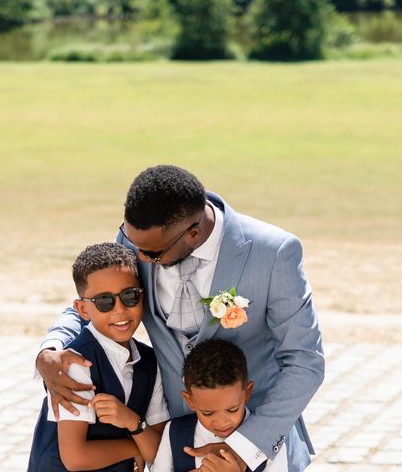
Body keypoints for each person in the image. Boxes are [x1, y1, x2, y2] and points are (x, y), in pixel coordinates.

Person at [36, 165, 325, 472]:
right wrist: (49, 351)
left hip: (258, 439)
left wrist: (243, 449)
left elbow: (305, 362)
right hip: (175, 440)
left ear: (194, 232)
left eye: (152, 255)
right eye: (134, 245)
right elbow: (96, 303)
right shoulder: (140, 240)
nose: (140, 258)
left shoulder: (273, 253)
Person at [27, 242, 170, 472]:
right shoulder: (76, 362)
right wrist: (133, 447)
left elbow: (159, 452)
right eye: (105, 301)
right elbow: (75, 458)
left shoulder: (150, 362)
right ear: (82, 310)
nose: (120, 309)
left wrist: (132, 422)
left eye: (130, 296)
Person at [152, 339, 286, 472]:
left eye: (232, 409)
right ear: (190, 401)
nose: (222, 422)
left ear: (247, 392)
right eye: (208, 413)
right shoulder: (175, 432)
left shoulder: (269, 438)